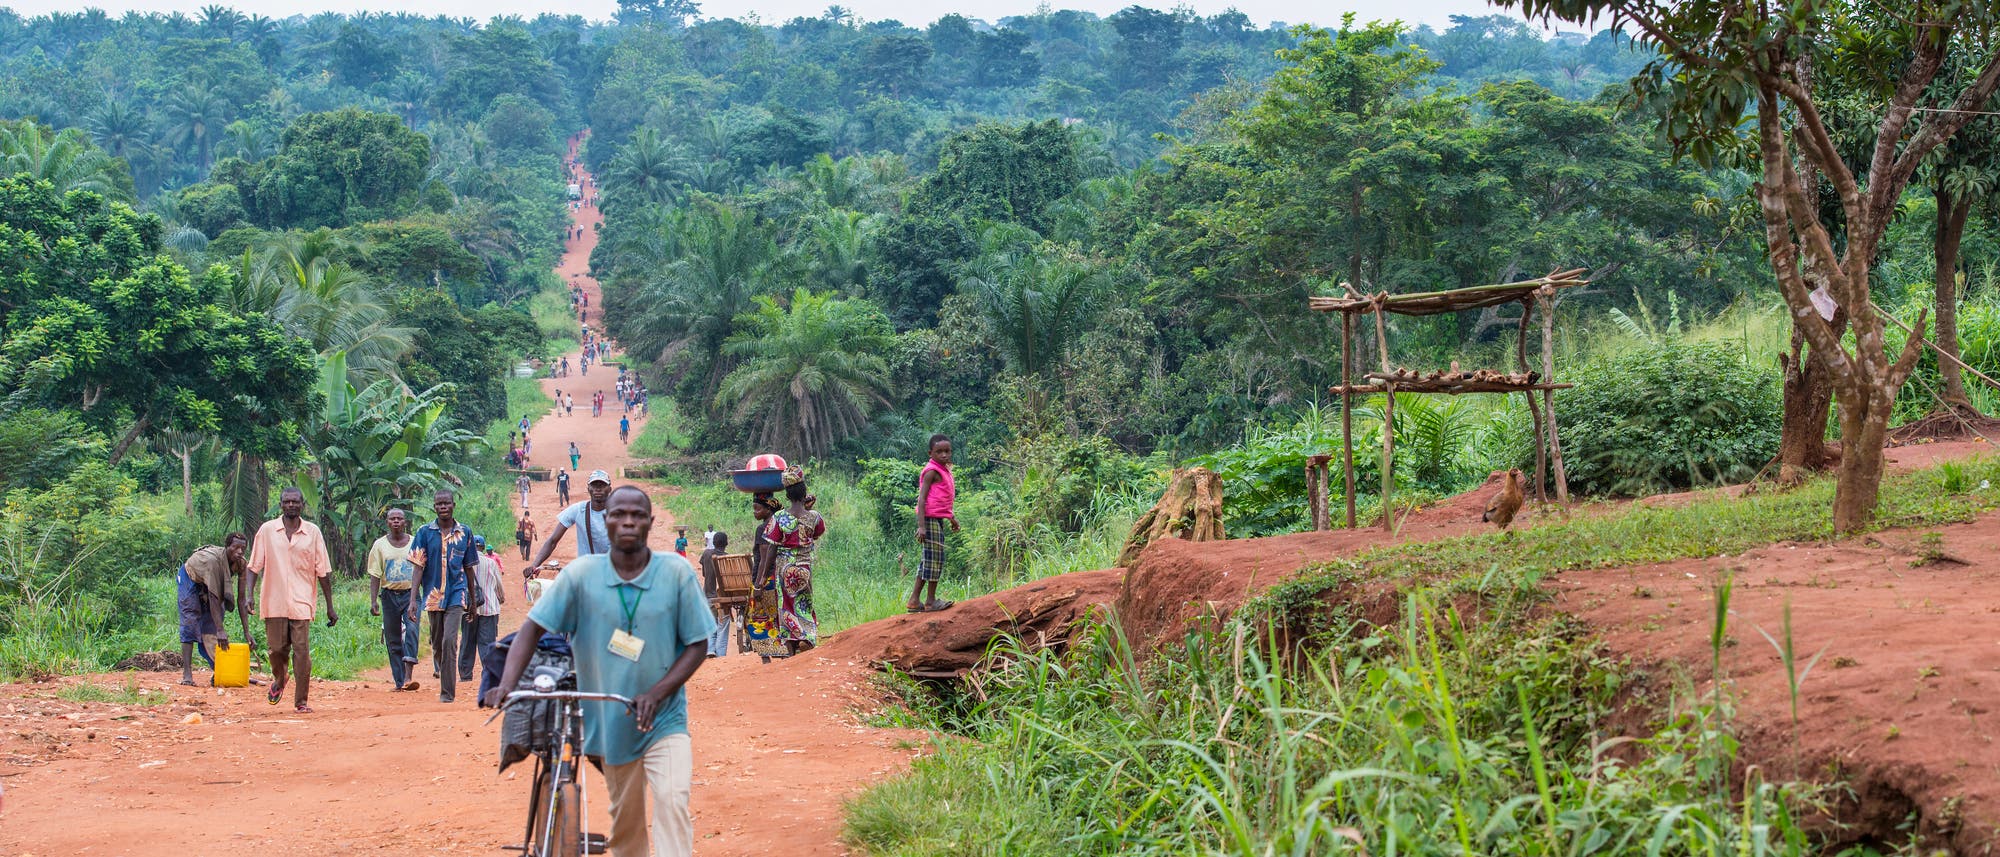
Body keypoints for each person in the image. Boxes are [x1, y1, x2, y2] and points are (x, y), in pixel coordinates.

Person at [486, 486, 713, 857]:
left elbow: (698, 643)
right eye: (618, 514)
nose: (627, 521)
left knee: (672, 801)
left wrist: (656, 694)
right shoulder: (580, 575)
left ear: (650, 522)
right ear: (604, 520)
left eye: (637, 515)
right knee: (627, 827)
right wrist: (507, 685)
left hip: (664, 719)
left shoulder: (675, 572)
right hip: (610, 724)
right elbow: (531, 629)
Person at [249, 487, 338, 713]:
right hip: (274, 601)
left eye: (295, 502)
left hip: (302, 602)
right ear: (281, 504)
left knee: (302, 653)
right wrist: (248, 594)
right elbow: (254, 566)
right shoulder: (267, 530)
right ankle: (280, 678)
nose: (291, 505)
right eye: (287, 501)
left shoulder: (313, 532)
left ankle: (301, 701)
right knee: (276, 650)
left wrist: (330, 605)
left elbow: (323, 571)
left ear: (302, 505)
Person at [412, 489, 479, 704]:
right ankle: (441, 667)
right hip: (432, 595)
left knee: (450, 640)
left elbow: (469, 568)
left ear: (453, 505)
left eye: (446, 503)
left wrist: (473, 599)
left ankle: (447, 693)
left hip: (456, 594)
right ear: (434, 507)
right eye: (439, 504)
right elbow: (418, 567)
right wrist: (413, 599)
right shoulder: (424, 532)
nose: (443, 507)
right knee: (438, 643)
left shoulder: (465, 533)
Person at [765, 466, 824, 656]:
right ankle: (806, 637)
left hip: (784, 567)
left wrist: (764, 575)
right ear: (804, 491)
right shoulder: (814, 516)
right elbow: (816, 533)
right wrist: (809, 508)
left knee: (786, 605)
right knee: (804, 602)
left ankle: (791, 649)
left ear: (787, 495)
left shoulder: (779, 518)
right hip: (804, 566)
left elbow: (772, 547)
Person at [177, 534, 250, 686]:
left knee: (210, 629)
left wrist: (247, 632)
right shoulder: (213, 562)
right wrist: (221, 629)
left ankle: (220, 670)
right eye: (235, 547)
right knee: (190, 622)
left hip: (209, 584)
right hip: (190, 578)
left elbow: (242, 599)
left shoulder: (241, 564)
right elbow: (214, 596)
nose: (239, 551)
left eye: (243, 548)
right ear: (227, 546)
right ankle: (187, 674)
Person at [367, 509, 422, 692]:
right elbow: (375, 574)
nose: (396, 521)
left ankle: (408, 676)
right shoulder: (379, 545)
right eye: (393, 519)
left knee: (412, 630)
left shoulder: (414, 542)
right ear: (387, 522)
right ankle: (399, 681)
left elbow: (420, 568)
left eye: (399, 518)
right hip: (389, 595)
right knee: (393, 639)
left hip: (410, 594)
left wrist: (415, 597)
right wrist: (373, 601)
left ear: (405, 522)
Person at [907, 434, 960, 613]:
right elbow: (921, 500)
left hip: (936, 519)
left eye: (947, 451)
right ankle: (930, 601)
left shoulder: (944, 470)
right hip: (929, 521)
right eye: (939, 452)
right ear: (931, 453)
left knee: (928, 560)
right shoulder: (931, 471)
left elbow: (941, 500)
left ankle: (914, 601)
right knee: (935, 560)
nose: (944, 455)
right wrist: (921, 526)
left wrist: (952, 518)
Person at [526, 470, 615, 570]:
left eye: (602, 485)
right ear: (588, 488)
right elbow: (552, 541)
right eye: (594, 485)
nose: (598, 489)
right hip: (586, 572)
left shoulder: (619, 513)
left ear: (610, 489)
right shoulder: (578, 510)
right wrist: (534, 565)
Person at [744, 494, 784, 661]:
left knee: (759, 616)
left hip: (766, 579)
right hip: (777, 578)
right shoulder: (778, 525)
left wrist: (759, 584)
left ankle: (766, 655)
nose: (754, 512)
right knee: (775, 616)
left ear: (768, 510)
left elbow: (764, 558)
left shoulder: (763, 529)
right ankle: (781, 651)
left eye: (757, 508)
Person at [462, 536, 505, 684]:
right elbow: (498, 586)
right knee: (487, 643)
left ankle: (465, 674)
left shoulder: (464, 562)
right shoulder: (491, 563)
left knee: (467, 641)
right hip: (489, 608)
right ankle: (487, 673)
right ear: (483, 547)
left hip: (468, 608)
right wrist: (500, 597)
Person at [698, 531, 732, 659]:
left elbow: (704, 574)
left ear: (713, 542)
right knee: (722, 625)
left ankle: (710, 649)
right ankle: (721, 654)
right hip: (723, 599)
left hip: (708, 595)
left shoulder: (706, 554)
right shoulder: (728, 557)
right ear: (726, 544)